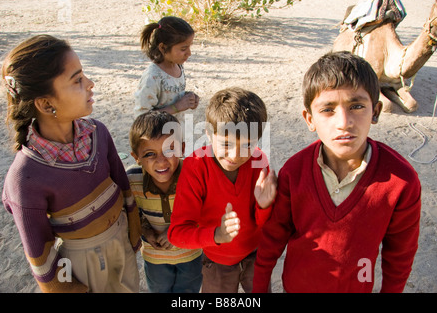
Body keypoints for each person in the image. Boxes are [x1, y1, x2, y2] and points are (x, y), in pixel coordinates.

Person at [253, 51, 421, 293]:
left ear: (375, 111)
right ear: (309, 119)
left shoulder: (401, 181)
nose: (344, 121)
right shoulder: (295, 171)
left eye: (357, 106)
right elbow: (272, 239)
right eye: (328, 109)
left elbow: (400, 255)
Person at [1, 35, 142, 293]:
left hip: (121, 242)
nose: (90, 84)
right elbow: (39, 251)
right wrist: (68, 289)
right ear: (45, 103)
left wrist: (133, 231)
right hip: (82, 263)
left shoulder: (98, 133)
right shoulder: (25, 177)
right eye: (77, 80)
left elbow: (122, 186)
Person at [168, 87, 277, 293]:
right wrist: (217, 235)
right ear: (209, 133)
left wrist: (265, 206)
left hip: (255, 255)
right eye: (226, 143)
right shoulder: (196, 166)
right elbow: (177, 233)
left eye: (247, 145)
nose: (235, 155)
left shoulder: (258, 161)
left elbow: (265, 223)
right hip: (217, 262)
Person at [126, 111, 203, 293]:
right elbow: (132, 215)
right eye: (149, 154)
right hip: (155, 258)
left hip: (191, 255)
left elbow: (205, 211)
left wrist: (175, 233)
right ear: (136, 156)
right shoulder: (133, 180)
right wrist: (145, 231)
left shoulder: (193, 174)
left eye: (170, 150)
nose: (161, 161)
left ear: (182, 148)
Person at [134, 16, 199, 124]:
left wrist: (188, 98)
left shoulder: (178, 66)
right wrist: (176, 107)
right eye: (183, 49)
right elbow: (141, 118)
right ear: (163, 47)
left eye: (189, 47)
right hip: (159, 138)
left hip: (177, 134)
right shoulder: (152, 77)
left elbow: (171, 96)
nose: (189, 53)